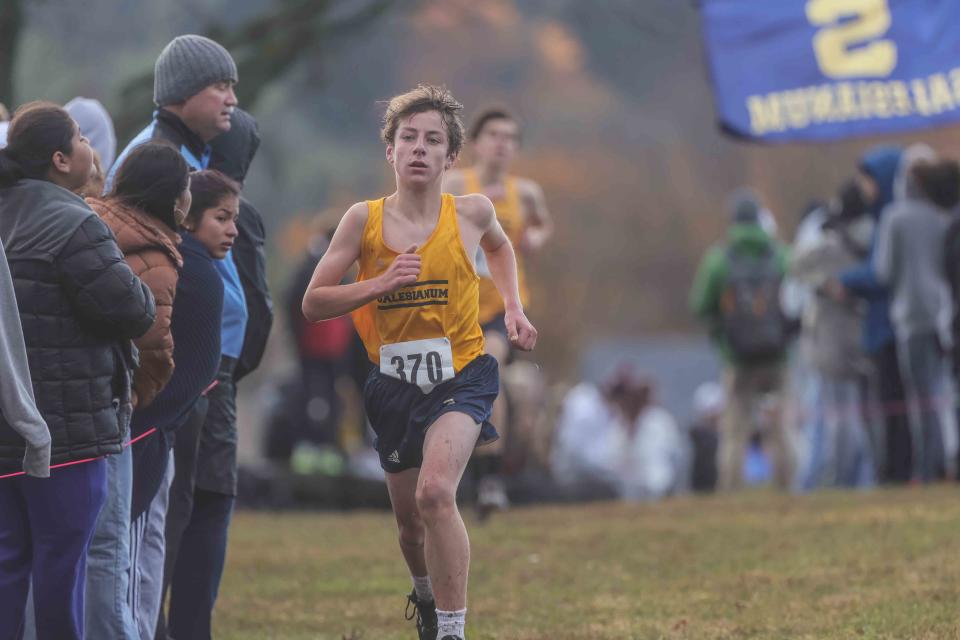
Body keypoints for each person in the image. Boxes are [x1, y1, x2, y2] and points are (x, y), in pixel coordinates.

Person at [302, 84, 536, 640]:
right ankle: (426, 596)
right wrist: (379, 282)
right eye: (408, 138)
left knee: (436, 493)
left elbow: (501, 248)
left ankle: (453, 631)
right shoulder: (363, 221)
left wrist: (514, 308)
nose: (419, 149)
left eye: (433, 141)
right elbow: (313, 303)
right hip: (393, 383)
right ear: (391, 152)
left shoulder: (473, 212)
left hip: (463, 374)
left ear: (452, 158)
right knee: (410, 527)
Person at [0, 101, 155, 640]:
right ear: (62, 159)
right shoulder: (71, 220)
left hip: (4, 430)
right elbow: (134, 309)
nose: (93, 149)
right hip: (65, 434)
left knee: (8, 565)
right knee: (62, 569)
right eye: (82, 140)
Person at [82, 142, 191, 639]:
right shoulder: (156, 254)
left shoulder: (87, 216)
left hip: (49, 402)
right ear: (172, 196)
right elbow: (153, 348)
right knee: (108, 546)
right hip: (106, 413)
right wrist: (134, 400)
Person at [443, 107, 552, 516]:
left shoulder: (525, 193)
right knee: (450, 385)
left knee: (489, 365)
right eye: (493, 135)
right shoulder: (455, 184)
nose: (502, 144)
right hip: (455, 304)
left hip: (503, 308)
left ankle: (490, 477)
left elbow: (542, 223)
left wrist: (536, 238)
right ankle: (452, 471)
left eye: (510, 137)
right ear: (476, 143)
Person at [163, 170, 241, 640]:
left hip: (215, 401)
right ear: (189, 219)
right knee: (177, 526)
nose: (232, 229)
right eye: (221, 218)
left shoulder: (208, 264)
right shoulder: (189, 269)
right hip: (194, 408)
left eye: (234, 218)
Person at [689, 188, 793, 490]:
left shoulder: (719, 259)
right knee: (781, 425)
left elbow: (700, 305)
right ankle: (786, 487)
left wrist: (721, 333)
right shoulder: (780, 254)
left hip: (737, 357)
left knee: (734, 430)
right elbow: (796, 299)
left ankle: (731, 489)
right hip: (777, 356)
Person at [874, 150, 959, 482]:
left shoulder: (894, 217)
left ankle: (927, 467)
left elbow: (883, 271)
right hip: (942, 313)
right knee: (943, 392)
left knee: (919, 398)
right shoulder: (940, 217)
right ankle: (946, 461)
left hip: (910, 316)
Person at [832, 147, 911, 483]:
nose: (864, 188)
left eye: (867, 181)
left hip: (893, 327)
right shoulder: (883, 219)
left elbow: (882, 272)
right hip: (885, 326)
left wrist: (845, 280)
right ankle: (893, 469)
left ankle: (898, 471)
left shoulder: (893, 218)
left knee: (897, 406)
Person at [792, 180, 875, 490]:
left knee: (841, 416)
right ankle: (863, 477)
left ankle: (844, 478)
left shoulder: (831, 248)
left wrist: (825, 284)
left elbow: (796, 265)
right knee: (860, 414)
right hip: (864, 336)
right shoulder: (874, 241)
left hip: (832, 340)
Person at [108, 34, 238, 187]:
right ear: (184, 90)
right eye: (221, 87)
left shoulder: (179, 150)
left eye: (231, 87)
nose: (232, 100)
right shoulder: (154, 160)